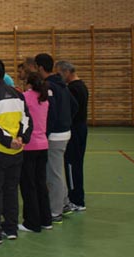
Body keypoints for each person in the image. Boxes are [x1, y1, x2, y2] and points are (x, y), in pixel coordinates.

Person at [0, 58, 32, 244]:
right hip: (16, 152)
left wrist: (9, 141)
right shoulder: (18, 94)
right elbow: (27, 120)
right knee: (10, 190)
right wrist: (21, 139)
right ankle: (11, 228)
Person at [34, 53, 78, 224]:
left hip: (55, 135)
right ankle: (65, 203)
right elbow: (74, 105)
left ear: (40, 68)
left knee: (53, 173)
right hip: (63, 132)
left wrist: (48, 132)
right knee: (57, 170)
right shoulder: (62, 85)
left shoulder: (49, 86)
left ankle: (55, 211)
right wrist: (66, 122)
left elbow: (50, 114)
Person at [18, 72, 52, 232]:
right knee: (40, 183)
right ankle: (46, 219)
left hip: (29, 146)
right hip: (43, 145)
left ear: (28, 83)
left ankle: (31, 222)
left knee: (28, 184)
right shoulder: (44, 98)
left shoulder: (25, 97)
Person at [56, 60, 89, 212]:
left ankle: (76, 199)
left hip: (75, 129)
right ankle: (77, 196)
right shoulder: (81, 85)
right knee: (76, 163)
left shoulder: (73, 88)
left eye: (60, 73)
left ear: (67, 72)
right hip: (81, 128)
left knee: (71, 164)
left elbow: (73, 108)